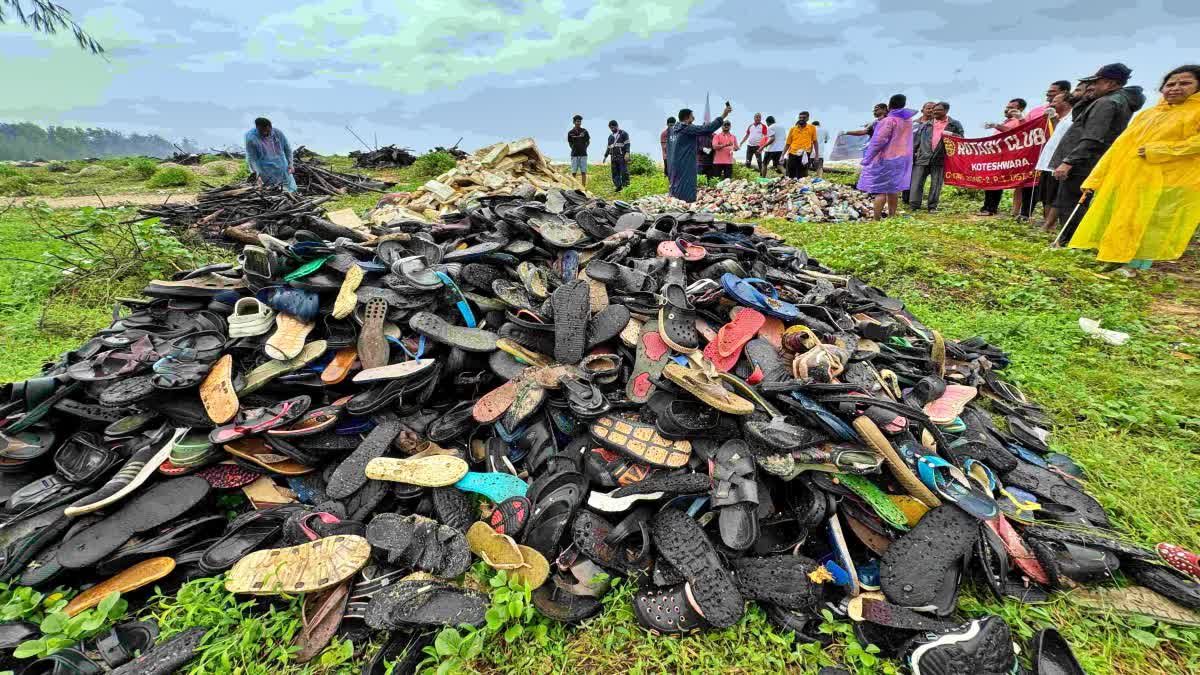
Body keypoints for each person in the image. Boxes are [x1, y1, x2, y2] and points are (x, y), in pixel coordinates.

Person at [1067, 65, 1200, 275]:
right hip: (1131, 176)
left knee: (1151, 222)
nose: (1175, 88)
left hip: (1170, 179)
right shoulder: (1147, 115)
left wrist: (1161, 150)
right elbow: (1119, 147)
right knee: (1124, 217)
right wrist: (1096, 177)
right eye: (1170, 84)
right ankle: (1113, 258)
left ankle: (1136, 265)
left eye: (1184, 83)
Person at [1050, 63, 1146, 246]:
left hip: (1083, 161)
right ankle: (1073, 240)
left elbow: (1092, 137)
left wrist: (1068, 162)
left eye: (1095, 82)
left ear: (1110, 84)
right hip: (1091, 159)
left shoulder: (1107, 102)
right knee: (1078, 201)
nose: (1090, 87)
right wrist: (1086, 99)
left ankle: (1069, 242)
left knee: (1071, 202)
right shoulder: (1115, 100)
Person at [857, 94, 916, 220]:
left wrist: (868, 158)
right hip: (902, 158)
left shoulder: (888, 121)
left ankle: (876, 218)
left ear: (889, 106)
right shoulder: (907, 121)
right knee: (893, 188)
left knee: (881, 190)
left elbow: (879, 141)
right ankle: (892, 216)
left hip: (887, 158)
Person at [668, 102, 732, 202]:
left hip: (675, 163)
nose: (694, 118)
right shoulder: (687, 128)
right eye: (692, 116)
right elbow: (706, 129)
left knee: (677, 183)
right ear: (687, 118)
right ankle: (686, 203)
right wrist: (723, 115)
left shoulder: (674, 130)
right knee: (686, 184)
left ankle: (676, 202)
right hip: (685, 163)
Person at [1032, 91, 1078, 230]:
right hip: (1048, 161)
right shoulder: (1063, 118)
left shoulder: (1074, 117)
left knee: (1054, 196)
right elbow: (1059, 131)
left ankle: (1049, 225)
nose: (1051, 104)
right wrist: (1052, 118)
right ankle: (1047, 222)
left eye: (1055, 101)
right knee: (1046, 195)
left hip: (1059, 161)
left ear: (1065, 102)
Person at [909, 101, 964, 211]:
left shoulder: (954, 124)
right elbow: (916, 141)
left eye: (938, 110)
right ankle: (914, 206)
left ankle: (932, 207)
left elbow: (961, 139)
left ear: (946, 111)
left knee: (936, 184)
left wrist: (952, 134)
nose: (935, 112)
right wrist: (911, 156)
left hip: (941, 159)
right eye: (934, 110)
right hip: (922, 157)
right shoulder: (926, 124)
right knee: (916, 183)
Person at [978, 102, 1026, 216]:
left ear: (1020, 109)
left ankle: (991, 208)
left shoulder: (1020, 121)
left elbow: (1017, 133)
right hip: (997, 156)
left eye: (1011, 108)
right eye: (1006, 107)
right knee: (991, 181)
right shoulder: (1007, 122)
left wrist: (996, 125)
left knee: (996, 182)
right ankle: (986, 206)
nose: (1007, 110)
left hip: (1008, 158)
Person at [244, 118, 296, 192]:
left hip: (281, 166)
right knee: (272, 191)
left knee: (290, 189)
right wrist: (256, 174)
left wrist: (290, 164)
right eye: (261, 131)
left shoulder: (278, 133)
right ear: (257, 128)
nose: (265, 133)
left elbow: (287, 149)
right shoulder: (251, 138)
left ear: (271, 127)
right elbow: (252, 158)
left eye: (267, 131)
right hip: (265, 171)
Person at [784, 112, 818, 179]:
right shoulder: (793, 129)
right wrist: (782, 155)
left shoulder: (812, 128)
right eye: (800, 117)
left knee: (802, 174)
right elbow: (788, 143)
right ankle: (791, 187)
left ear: (808, 118)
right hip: (792, 153)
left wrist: (816, 155)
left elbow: (815, 142)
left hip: (805, 154)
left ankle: (800, 187)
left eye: (804, 118)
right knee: (791, 173)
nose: (801, 119)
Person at [602, 120, 631, 192]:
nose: (612, 129)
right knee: (615, 173)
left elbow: (627, 144)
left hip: (622, 156)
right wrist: (605, 156)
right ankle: (618, 187)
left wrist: (627, 153)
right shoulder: (610, 137)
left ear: (616, 126)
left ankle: (626, 186)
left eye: (613, 127)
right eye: (610, 128)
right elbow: (609, 147)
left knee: (624, 171)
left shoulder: (624, 134)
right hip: (613, 157)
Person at [567, 115, 590, 188]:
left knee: (583, 171)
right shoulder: (570, 132)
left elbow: (588, 142)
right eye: (577, 121)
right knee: (574, 172)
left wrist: (584, 148)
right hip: (574, 154)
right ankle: (573, 187)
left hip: (583, 154)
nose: (578, 123)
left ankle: (583, 187)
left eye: (579, 121)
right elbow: (570, 143)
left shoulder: (584, 131)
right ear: (574, 122)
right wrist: (574, 148)